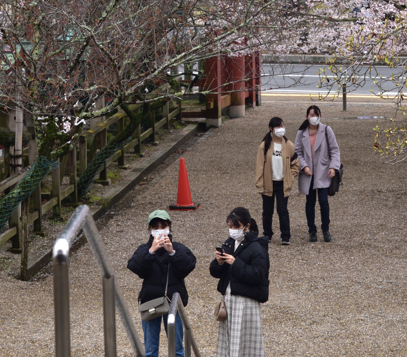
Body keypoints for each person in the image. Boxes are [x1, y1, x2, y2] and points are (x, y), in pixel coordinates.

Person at [127, 210, 197, 357]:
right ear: (150, 229)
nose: (159, 229)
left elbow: (189, 265)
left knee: (177, 349)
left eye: (163, 225)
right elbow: (134, 266)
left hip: (173, 302)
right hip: (150, 302)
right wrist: (151, 251)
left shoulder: (178, 247)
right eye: (155, 226)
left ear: (169, 226)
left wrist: (172, 252)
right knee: (151, 350)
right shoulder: (144, 249)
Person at [210, 207, 270, 357]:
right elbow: (214, 272)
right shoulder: (229, 243)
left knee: (245, 344)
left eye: (236, 227)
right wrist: (219, 262)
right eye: (230, 227)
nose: (232, 230)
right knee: (229, 341)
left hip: (246, 300)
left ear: (246, 226)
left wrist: (235, 263)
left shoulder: (257, 247)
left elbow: (258, 275)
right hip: (229, 298)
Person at [295, 105, 340, 242]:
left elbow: (335, 150)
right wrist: (304, 166)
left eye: (316, 115)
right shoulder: (301, 133)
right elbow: (298, 152)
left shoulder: (327, 130)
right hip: (308, 173)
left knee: (323, 201)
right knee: (310, 202)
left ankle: (325, 229)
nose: (314, 117)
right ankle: (311, 230)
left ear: (320, 116)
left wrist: (333, 167)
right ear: (306, 117)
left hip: (323, 171)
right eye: (311, 115)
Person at [256, 117, 300, 245]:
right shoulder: (264, 146)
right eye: (278, 127)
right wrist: (259, 185)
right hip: (268, 182)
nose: (281, 129)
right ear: (271, 129)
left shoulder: (289, 145)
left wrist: (290, 177)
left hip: (282, 183)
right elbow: (259, 166)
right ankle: (267, 234)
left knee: (283, 210)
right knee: (267, 211)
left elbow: (295, 164)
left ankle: (285, 236)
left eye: (282, 126)